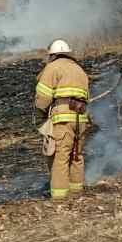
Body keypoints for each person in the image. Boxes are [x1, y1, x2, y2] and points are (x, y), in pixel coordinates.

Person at [34, 39, 91, 201]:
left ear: (52, 55)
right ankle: (76, 193)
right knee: (76, 155)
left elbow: (43, 97)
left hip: (62, 119)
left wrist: (41, 112)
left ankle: (59, 198)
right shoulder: (80, 70)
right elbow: (87, 97)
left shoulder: (52, 68)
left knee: (60, 157)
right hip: (81, 119)